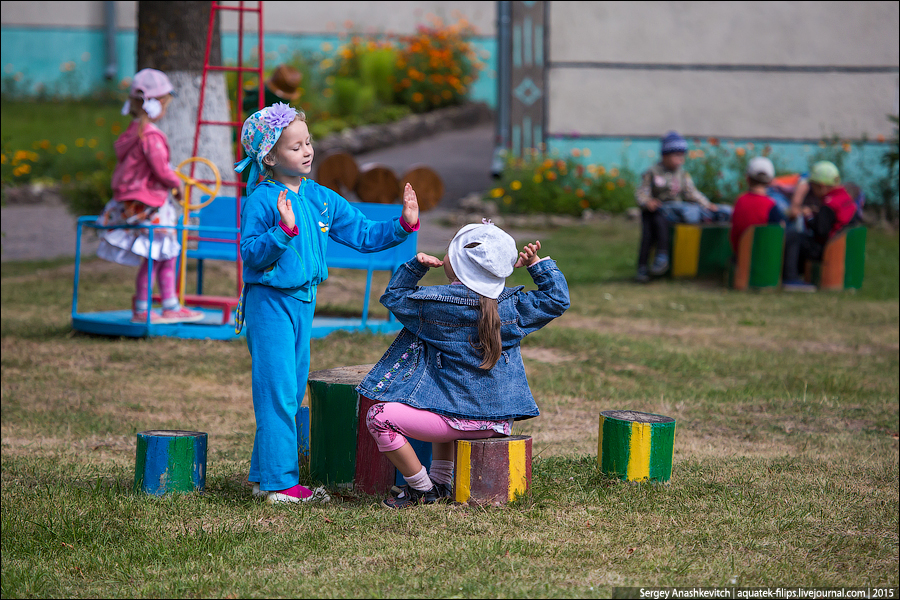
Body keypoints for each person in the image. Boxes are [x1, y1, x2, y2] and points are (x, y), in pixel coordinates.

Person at [234, 102, 420, 504]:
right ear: (268, 156)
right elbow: (251, 254)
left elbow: (362, 232)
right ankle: (281, 485)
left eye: (308, 142)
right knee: (279, 390)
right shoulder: (263, 200)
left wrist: (403, 224)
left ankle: (262, 476)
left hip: (304, 303)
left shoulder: (319, 196)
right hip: (270, 304)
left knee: (290, 387)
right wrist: (282, 231)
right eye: (294, 146)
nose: (307, 151)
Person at [355, 220, 570, 509]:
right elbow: (557, 299)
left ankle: (421, 489)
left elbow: (393, 297)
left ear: (454, 264)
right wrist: (536, 265)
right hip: (497, 422)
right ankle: (442, 482)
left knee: (379, 417)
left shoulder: (434, 305)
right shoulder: (512, 306)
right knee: (438, 399)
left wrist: (414, 268)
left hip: (451, 422)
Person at [96, 68, 204, 324]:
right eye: (166, 103)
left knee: (159, 255)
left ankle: (159, 305)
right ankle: (156, 307)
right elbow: (160, 170)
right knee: (160, 255)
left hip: (133, 203)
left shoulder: (132, 133)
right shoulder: (152, 136)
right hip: (151, 204)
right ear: (156, 104)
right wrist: (176, 182)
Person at [633, 131, 730, 283]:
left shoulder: (682, 174)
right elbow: (641, 192)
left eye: (682, 155)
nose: (680, 159)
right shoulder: (652, 172)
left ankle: (667, 258)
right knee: (648, 236)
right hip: (653, 212)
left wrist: (706, 204)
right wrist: (647, 202)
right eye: (676, 155)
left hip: (673, 211)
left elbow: (691, 192)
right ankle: (645, 266)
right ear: (665, 155)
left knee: (675, 219)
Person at [781, 161, 858, 292]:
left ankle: (791, 278)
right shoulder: (845, 199)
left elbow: (821, 231)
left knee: (794, 236)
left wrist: (809, 216)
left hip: (828, 248)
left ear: (822, 187)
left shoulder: (829, 203)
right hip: (841, 245)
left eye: (813, 186)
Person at [729, 156, 786, 256]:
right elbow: (780, 231)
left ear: (747, 179)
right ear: (770, 181)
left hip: (739, 254)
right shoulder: (770, 205)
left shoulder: (739, 200)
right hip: (761, 256)